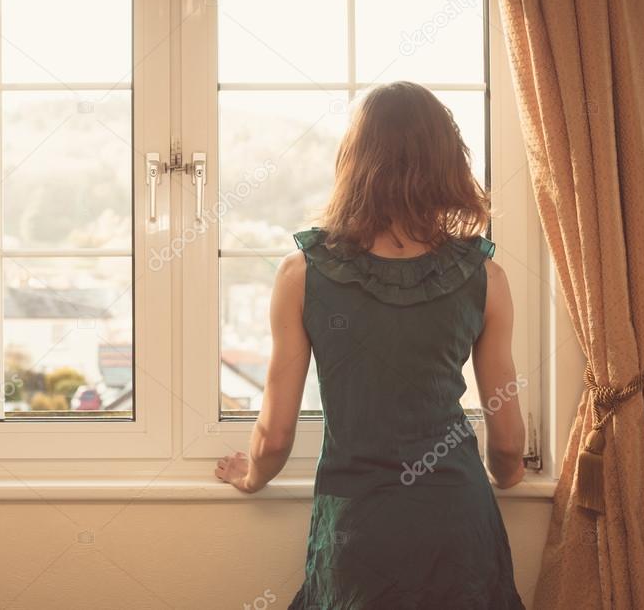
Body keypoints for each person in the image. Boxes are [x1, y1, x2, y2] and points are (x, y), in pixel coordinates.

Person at [215, 81, 526, 609]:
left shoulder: (301, 275)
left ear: (354, 162)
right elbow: (507, 433)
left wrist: (252, 476)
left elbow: (275, 434)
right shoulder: (485, 276)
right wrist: (510, 474)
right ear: (448, 163)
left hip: (358, 532)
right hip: (457, 523)